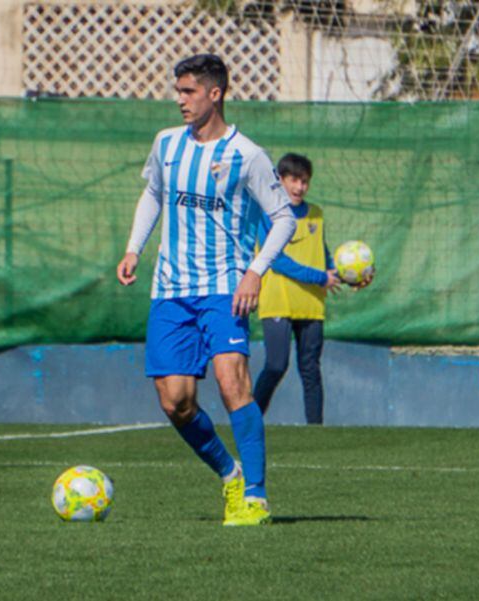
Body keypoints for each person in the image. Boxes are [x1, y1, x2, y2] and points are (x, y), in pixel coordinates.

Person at [115, 54, 296, 526]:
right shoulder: (167, 143)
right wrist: (134, 248)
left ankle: (255, 497)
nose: (180, 100)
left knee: (232, 381)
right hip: (171, 288)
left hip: (224, 286)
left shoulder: (247, 155)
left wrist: (255, 271)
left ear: (215, 94)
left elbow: (283, 218)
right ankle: (230, 473)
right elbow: (154, 193)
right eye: (178, 91)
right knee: (174, 401)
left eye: (189, 91)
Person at [253, 154, 373, 424]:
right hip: (278, 300)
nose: (300, 187)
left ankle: (316, 431)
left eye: (305, 181)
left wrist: (350, 276)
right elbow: (277, 261)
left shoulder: (316, 214)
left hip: (310, 303)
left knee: (310, 370)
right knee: (276, 365)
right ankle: (249, 420)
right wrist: (320, 277)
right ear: (280, 180)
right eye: (294, 180)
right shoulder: (267, 214)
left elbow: (323, 254)